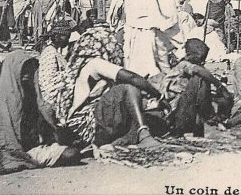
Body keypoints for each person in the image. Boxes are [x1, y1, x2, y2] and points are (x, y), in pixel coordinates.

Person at [37, 21, 167, 148]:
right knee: (128, 89)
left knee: (144, 108)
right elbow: (131, 77)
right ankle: (144, 135)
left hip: (79, 127)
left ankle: (125, 138)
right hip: (87, 127)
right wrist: (159, 95)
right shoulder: (94, 64)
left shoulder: (78, 66)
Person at [161, 38, 233, 136]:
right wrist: (219, 86)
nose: (203, 62)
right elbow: (198, 71)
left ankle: (209, 121)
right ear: (188, 55)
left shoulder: (191, 67)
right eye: (200, 59)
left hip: (184, 106)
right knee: (200, 79)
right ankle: (210, 120)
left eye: (204, 59)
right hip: (174, 110)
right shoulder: (184, 65)